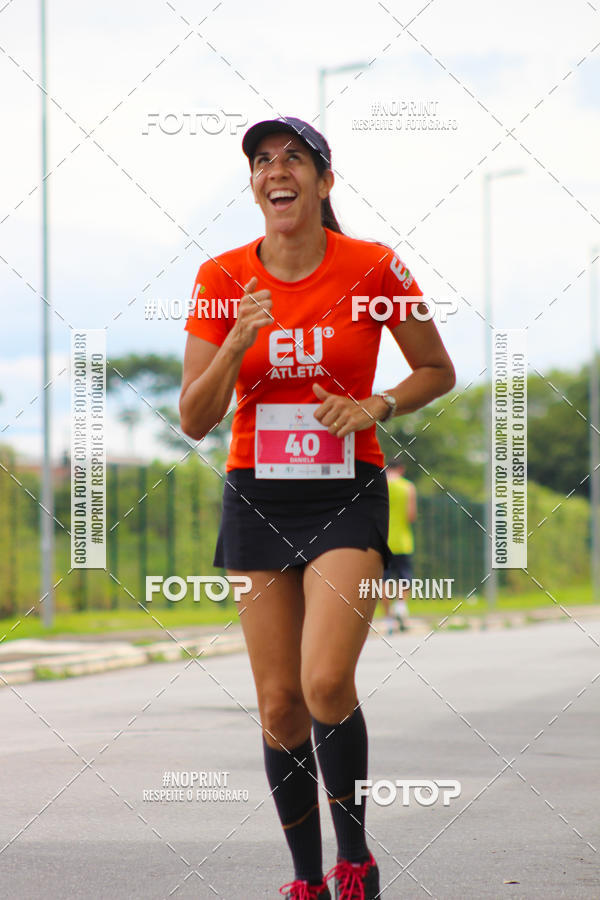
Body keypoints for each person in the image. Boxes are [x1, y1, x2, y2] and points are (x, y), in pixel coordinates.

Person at [179, 116, 455, 900]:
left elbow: (436, 368)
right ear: (255, 185)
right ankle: (306, 880)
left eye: (293, 158)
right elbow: (194, 419)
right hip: (257, 496)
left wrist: (379, 405)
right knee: (278, 704)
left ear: (324, 181)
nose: (277, 170)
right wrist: (235, 342)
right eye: (263, 160)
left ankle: (356, 860)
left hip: (345, 493)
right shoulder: (221, 276)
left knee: (326, 681)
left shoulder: (374, 268)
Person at [382, 461, 417, 633]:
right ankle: (401, 607)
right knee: (404, 577)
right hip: (403, 541)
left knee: (384, 580)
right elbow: (411, 515)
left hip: (383, 541)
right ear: (401, 468)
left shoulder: (380, 485)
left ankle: (388, 619)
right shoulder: (408, 487)